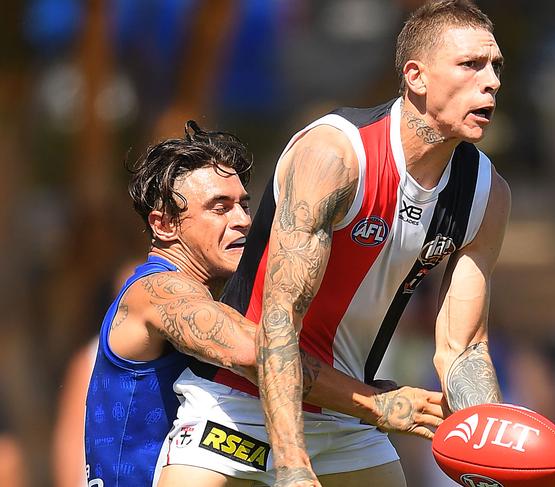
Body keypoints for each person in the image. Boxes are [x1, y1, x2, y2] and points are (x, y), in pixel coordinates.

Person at [161, 1, 510, 486]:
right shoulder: (335, 155)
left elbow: (464, 349)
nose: (491, 80)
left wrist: (492, 457)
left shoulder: (486, 193)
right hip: (236, 406)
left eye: (495, 66)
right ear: (417, 76)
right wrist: (292, 465)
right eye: (471, 64)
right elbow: (280, 320)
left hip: (350, 423)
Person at [84, 121, 444, 486]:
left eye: (243, 204)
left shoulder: (218, 294)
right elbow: (258, 355)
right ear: (163, 226)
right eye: (219, 208)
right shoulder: (157, 291)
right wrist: (373, 404)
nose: (242, 220)